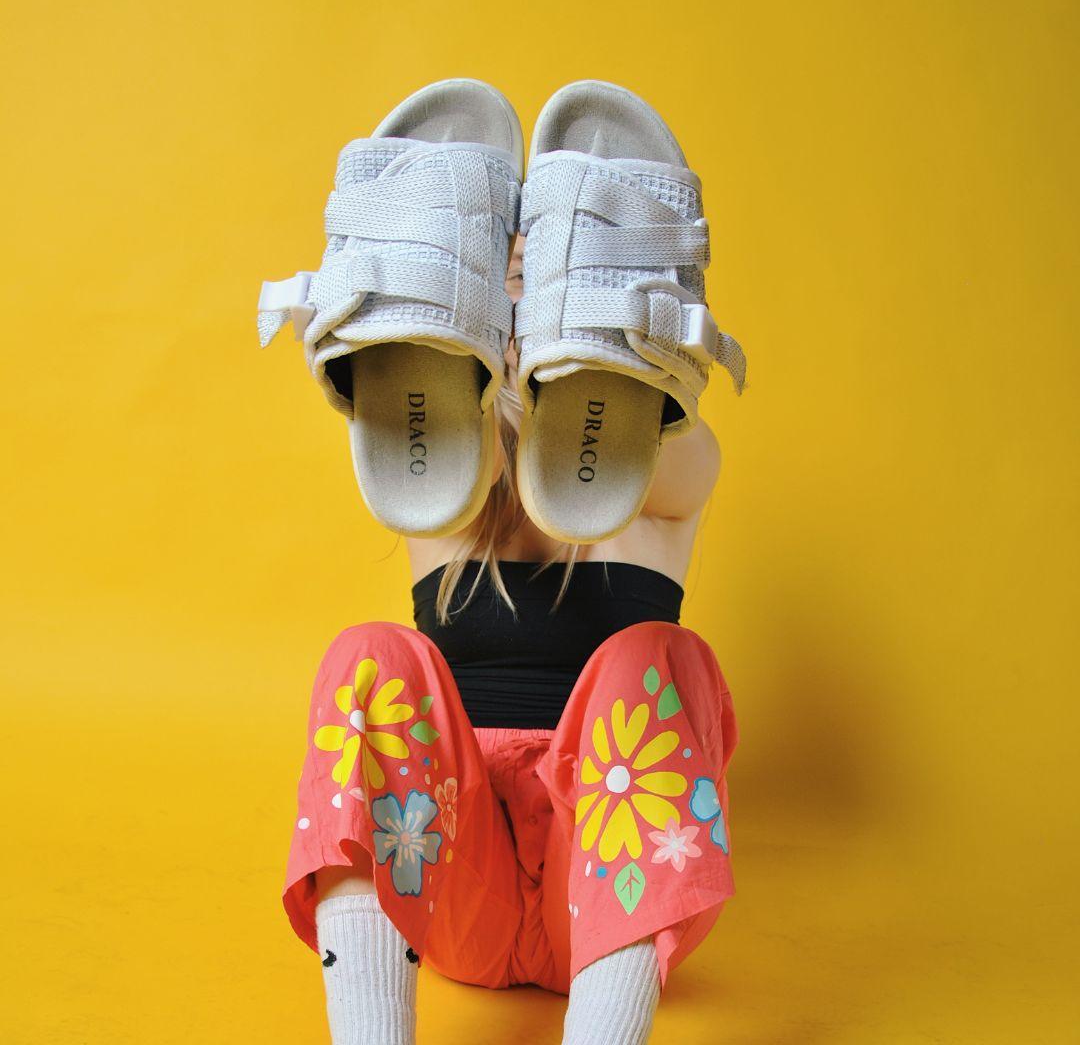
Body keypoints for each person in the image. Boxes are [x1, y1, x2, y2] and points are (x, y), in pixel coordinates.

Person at [264, 79, 741, 1045]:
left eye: (541, 277)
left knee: (659, 656)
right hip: (450, 872)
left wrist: (606, 351)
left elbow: (681, 444)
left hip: (612, 887)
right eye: (505, 281)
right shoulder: (447, 490)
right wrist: (433, 327)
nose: (524, 309)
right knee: (368, 652)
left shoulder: (655, 490)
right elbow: (438, 429)